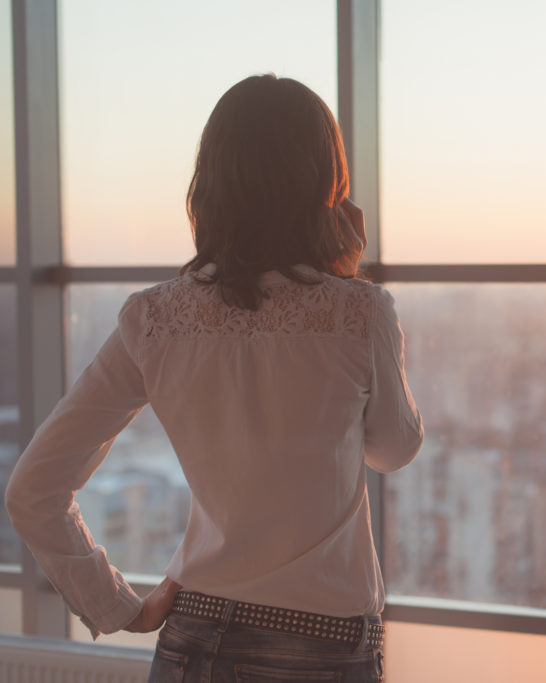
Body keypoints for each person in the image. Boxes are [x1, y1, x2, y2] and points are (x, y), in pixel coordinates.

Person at [5, 74, 423, 682]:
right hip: (318, 643)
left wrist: (116, 604)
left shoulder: (153, 317)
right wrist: (343, 277)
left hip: (190, 638)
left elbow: (33, 491)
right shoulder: (357, 311)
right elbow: (394, 449)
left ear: (210, 185)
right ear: (325, 182)